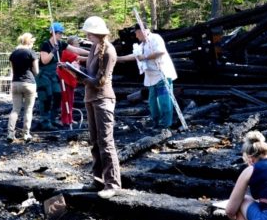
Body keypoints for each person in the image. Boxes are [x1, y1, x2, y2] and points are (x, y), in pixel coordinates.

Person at [63, 16, 121, 199]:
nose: (86, 35)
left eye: (89, 32)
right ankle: (98, 180)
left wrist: (74, 72)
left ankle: (112, 184)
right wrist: (73, 68)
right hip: (91, 98)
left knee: (106, 142)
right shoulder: (94, 48)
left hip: (103, 98)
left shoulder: (109, 51)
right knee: (95, 141)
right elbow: (89, 74)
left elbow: (99, 82)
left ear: (97, 32)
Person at [117, 23, 177, 129]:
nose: (136, 36)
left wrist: (144, 57)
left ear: (141, 31)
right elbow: (135, 56)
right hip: (151, 77)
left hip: (162, 74)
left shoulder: (155, 38)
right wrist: (118, 58)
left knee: (164, 101)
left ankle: (166, 124)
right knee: (152, 102)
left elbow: (160, 51)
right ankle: (156, 122)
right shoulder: (142, 45)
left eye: (136, 33)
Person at [7, 33, 39, 142]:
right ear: (29, 42)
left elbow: (13, 70)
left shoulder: (13, 54)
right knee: (28, 109)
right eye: (32, 42)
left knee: (15, 109)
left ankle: (10, 134)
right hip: (29, 83)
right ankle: (26, 134)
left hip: (15, 83)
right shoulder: (31, 53)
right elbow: (36, 71)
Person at [57, 36, 82, 127]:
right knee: (66, 100)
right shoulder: (67, 52)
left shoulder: (72, 53)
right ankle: (65, 120)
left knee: (70, 100)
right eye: (76, 43)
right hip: (65, 80)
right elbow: (79, 58)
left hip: (71, 80)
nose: (78, 45)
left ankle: (69, 118)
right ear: (71, 45)